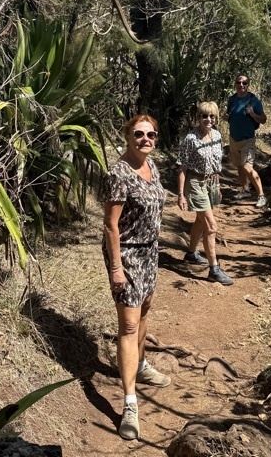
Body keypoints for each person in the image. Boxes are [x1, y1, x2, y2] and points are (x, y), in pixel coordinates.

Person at [101, 114, 170, 441]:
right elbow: (110, 225)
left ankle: (140, 366)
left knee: (144, 311)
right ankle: (129, 403)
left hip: (149, 252)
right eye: (140, 134)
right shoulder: (119, 173)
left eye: (151, 134)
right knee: (128, 325)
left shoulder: (151, 166)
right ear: (128, 135)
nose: (146, 139)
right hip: (126, 253)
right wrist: (116, 268)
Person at [176, 102, 234, 286]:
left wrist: (217, 185)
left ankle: (192, 253)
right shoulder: (191, 138)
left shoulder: (217, 135)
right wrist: (180, 194)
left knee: (201, 221)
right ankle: (214, 270)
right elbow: (182, 167)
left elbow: (217, 163)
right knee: (211, 226)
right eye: (204, 116)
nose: (208, 120)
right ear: (198, 117)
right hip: (195, 182)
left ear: (216, 118)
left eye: (212, 116)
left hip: (210, 182)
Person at [224, 74, 268, 208]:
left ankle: (261, 195)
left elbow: (264, 119)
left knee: (247, 167)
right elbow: (229, 115)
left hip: (248, 139)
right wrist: (226, 117)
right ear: (235, 84)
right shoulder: (232, 99)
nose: (241, 85)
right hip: (233, 138)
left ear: (248, 85)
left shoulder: (253, 100)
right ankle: (246, 190)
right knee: (239, 166)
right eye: (239, 82)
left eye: (244, 83)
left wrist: (253, 114)